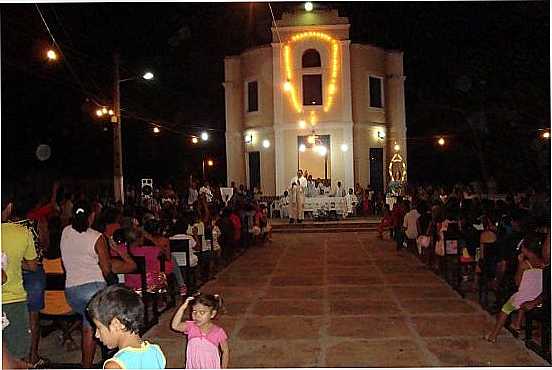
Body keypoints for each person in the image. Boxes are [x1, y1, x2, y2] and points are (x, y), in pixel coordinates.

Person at [60, 200, 112, 368]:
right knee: (89, 328)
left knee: (87, 322)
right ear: (92, 216)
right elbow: (106, 269)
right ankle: (87, 364)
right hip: (93, 289)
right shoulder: (97, 237)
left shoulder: (65, 232)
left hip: (71, 291)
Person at [87, 285, 166, 369]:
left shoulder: (115, 365)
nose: (96, 335)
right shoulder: (155, 351)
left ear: (116, 324)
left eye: (99, 328)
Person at [484, 235, 545, 343]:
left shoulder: (525, 264)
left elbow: (517, 281)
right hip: (538, 296)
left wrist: (519, 262)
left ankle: (493, 335)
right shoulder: (544, 263)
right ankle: (519, 325)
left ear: (526, 250)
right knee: (520, 298)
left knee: (505, 309)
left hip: (524, 296)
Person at [1, 197, 38, 369]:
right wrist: (14, 261)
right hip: (13, 300)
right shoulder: (22, 232)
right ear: (8, 207)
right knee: (17, 357)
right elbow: (32, 266)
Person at [171, 294, 229, 369]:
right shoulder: (190, 326)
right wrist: (183, 307)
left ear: (212, 314)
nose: (197, 315)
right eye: (194, 311)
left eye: (202, 312)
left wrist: (223, 368)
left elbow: (225, 351)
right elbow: (175, 326)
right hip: (193, 366)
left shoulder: (218, 331)